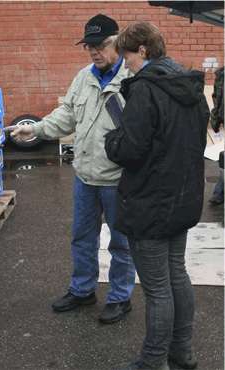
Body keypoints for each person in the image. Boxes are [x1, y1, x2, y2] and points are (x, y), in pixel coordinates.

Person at [10, 14, 135, 324]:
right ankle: (82, 290)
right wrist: (35, 130)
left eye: (101, 45)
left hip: (119, 179)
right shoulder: (84, 77)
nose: (94, 51)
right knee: (82, 237)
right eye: (89, 46)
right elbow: (66, 116)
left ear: (117, 42)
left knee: (121, 242)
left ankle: (120, 297)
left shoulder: (132, 79)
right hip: (85, 176)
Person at [104, 22, 209, 370]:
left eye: (127, 55)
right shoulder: (189, 85)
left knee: (158, 288)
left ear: (143, 51)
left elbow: (129, 150)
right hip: (182, 199)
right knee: (176, 274)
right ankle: (182, 353)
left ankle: (153, 361)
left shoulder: (145, 90)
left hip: (150, 203)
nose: (125, 63)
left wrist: (111, 140)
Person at [208, 66, 224, 205]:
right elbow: (217, 96)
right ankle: (219, 192)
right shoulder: (222, 74)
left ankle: (219, 191)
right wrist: (216, 120)